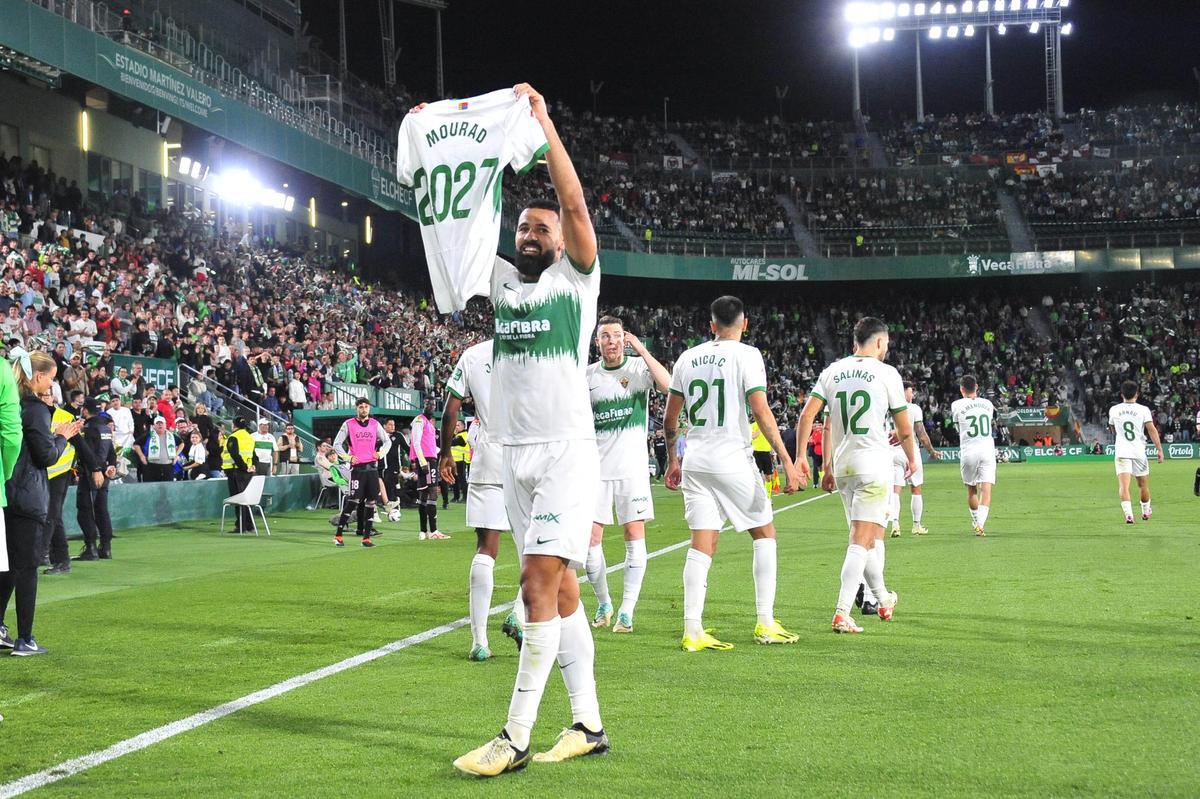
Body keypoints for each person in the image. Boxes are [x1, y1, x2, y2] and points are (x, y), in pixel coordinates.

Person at [439, 84, 609, 775]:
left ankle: (512, 738)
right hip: (513, 458)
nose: (530, 235)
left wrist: (542, 123)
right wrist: (439, 141)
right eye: (523, 230)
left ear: (563, 240)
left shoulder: (577, 283)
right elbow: (459, 227)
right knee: (561, 595)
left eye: (541, 229)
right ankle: (590, 724)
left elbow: (573, 203)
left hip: (567, 453)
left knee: (539, 583)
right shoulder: (504, 285)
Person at [662, 296, 802, 652]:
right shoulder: (748, 355)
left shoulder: (686, 358)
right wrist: (785, 459)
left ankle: (692, 630)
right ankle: (765, 622)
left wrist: (672, 461)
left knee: (702, 544)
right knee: (764, 533)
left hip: (695, 461)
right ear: (745, 323)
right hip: (732, 460)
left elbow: (669, 419)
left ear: (711, 325)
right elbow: (761, 410)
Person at [794, 317, 916, 635]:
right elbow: (904, 428)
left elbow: (808, 415)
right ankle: (841, 612)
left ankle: (883, 598)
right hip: (874, 466)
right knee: (860, 542)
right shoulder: (886, 374)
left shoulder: (832, 372)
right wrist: (913, 460)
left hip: (844, 467)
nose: (886, 349)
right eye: (886, 344)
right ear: (877, 343)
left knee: (870, 539)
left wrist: (802, 458)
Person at [583, 316, 670, 633]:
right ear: (598, 342)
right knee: (590, 541)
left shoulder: (636, 370)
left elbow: (668, 384)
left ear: (625, 339)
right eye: (605, 336)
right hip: (595, 472)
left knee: (634, 537)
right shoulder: (587, 376)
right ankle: (604, 602)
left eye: (617, 335)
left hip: (632, 471)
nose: (611, 341)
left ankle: (626, 612)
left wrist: (643, 351)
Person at [439, 338, 521, 662]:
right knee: (539, 546)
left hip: (488, 454)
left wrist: (446, 453)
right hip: (526, 454)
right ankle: (519, 613)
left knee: (486, 548)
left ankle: (479, 641)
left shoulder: (472, 355)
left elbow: (450, 410)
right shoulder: (532, 346)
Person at [1, 349, 78, 655]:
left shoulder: (12, 403)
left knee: (7, 567)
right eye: (51, 378)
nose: (52, 385)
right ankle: (25, 638)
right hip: (28, 494)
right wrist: (61, 436)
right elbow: (45, 456)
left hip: (6, 491)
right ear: (38, 376)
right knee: (28, 567)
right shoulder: (35, 409)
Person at [331, 397, 391, 547]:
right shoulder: (348, 424)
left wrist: (381, 453)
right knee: (353, 503)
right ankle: (338, 535)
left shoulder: (375, 424)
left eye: (366, 407)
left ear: (369, 408)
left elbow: (387, 441)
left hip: (372, 469)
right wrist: (348, 457)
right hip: (357, 470)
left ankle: (366, 538)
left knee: (371, 503)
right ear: (356, 408)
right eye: (361, 407)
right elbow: (336, 444)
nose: (363, 409)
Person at [884, 383, 941, 539]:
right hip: (910, 451)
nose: (913, 395)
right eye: (910, 391)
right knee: (916, 488)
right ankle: (916, 525)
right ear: (903, 392)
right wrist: (932, 451)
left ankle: (895, 524)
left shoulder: (886, 407)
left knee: (895, 490)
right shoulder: (913, 409)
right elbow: (921, 434)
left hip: (891, 452)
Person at [1108, 380, 1164, 523]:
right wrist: (1159, 449)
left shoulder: (1114, 410)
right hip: (1138, 451)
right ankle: (1145, 511)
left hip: (1122, 451)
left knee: (1123, 486)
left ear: (1122, 395)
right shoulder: (1143, 410)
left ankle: (1129, 515)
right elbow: (1152, 430)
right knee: (1143, 485)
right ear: (1137, 394)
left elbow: (1112, 429)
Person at [951, 375, 997, 537]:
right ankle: (980, 525)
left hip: (968, 451)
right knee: (986, 490)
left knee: (971, 490)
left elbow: (957, 424)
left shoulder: (956, 405)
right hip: (987, 450)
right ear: (977, 387)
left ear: (961, 389)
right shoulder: (988, 404)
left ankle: (975, 521)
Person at [73, 398, 117, 560]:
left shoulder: (88, 429)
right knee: (101, 510)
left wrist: (95, 470)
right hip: (105, 473)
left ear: (85, 410)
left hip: (91, 473)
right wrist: (111, 466)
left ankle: (90, 547)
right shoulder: (106, 428)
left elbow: (87, 453)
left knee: (84, 511)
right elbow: (111, 452)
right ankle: (106, 548)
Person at [409, 398, 447, 540]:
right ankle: (434, 530)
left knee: (424, 494)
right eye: (427, 404)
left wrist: (442, 450)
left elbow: (429, 445)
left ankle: (423, 531)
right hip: (426, 461)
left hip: (430, 458)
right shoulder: (420, 420)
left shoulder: (428, 423)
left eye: (432, 405)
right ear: (423, 406)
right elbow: (416, 442)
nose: (430, 407)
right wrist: (422, 461)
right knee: (432, 492)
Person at [222, 417, 255, 533]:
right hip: (247, 472)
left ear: (234, 425)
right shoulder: (249, 437)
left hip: (235, 471)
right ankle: (249, 525)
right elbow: (254, 455)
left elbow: (235, 455)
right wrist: (250, 466)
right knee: (246, 499)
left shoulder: (233, 437)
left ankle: (240, 526)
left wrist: (243, 467)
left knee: (238, 500)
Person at [136, 416, 178, 482]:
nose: (160, 425)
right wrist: (141, 456)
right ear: (154, 426)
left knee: (167, 487)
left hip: (168, 466)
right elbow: (136, 444)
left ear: (165, 425)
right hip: (152, 466)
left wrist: (176, 454)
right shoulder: (148, 435)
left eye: (162, 423)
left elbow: (181, 443)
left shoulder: (171, 435)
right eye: (157, 423)